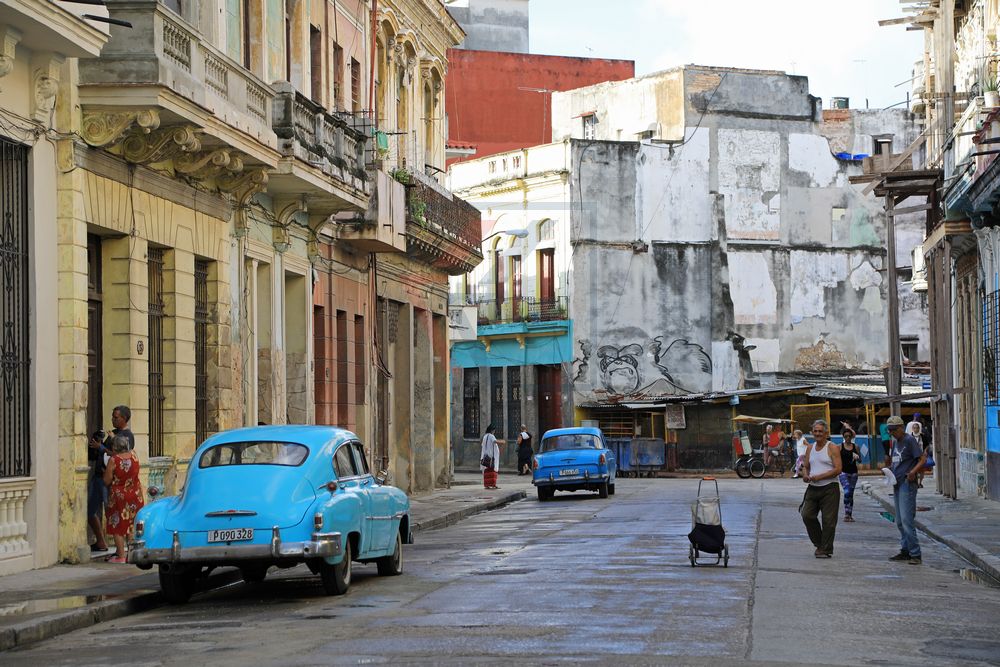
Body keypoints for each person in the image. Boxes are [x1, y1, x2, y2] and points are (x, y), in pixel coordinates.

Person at [86, 405, 135, 553]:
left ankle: (121, 550)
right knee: (89, 511)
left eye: (116, 417)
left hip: (110, 481)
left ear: (124, 418)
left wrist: (101, 448)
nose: (113, 419)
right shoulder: (112, 433)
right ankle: (101, 541)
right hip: (99, 477)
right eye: (112, 417)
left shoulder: (127, 436)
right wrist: (96, 447)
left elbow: (119, 455)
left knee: (112, 515)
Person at [885, 415, 927, 565]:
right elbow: (897, 461)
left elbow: (922, 459)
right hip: (897, 482)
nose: (891, 433)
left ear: (901, 428)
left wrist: (913, 472)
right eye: (889, 430)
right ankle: (905, 550)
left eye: (893, 430)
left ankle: (915, 553)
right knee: (899, 521)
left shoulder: (909, 440)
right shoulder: (896, 442)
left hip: (907, 483)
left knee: (907, 520)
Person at [800, 419, 842, 558]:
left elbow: (838, 469)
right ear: (812, 433)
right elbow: (806, 466)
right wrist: (806, 475)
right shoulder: (810, 448)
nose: (817, 434)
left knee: (829, 521)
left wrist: (821, 477)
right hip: (813, 488)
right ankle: (820, 544)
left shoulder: (832, 447)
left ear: (826, 433)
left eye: (820, 431)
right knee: (807, 515)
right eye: (815, 431)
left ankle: (825, 549)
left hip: (830, 488)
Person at [103, 433, 144, 563]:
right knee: (131, 524)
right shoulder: (134, 455)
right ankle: (131, 554)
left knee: (117, 525)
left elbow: (106, 480)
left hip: (119, 497)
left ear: (114, 448)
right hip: (135, 495)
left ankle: (120, 555)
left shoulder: (114, 460)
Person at [839, 428, 861, 522]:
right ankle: (846, 513)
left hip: (853, 473)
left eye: (849, 436)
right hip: (843, 472)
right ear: (843, 437)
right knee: (847, 491)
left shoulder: (856, 446)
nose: (848, 438)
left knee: (850, 494)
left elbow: (860, 460)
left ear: (852, 437)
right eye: (846, 436)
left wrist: (857, 457)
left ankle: (849, 514)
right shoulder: (840, 447)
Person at [480, 424, 501, 489]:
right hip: (491, 457)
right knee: (492, 471)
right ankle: (493, 484)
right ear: (492, 430)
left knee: (487, 471)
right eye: (494, 430)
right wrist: (502, 442)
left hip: (485, 456)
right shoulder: (491, 436)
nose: (494, 431)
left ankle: (487, 485)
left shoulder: (485, 436)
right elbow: (495, 441)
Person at [907, 419, 926, 488]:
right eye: (914, 428)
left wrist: (925, 451)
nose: (916, 429)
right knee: (915, 469)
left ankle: (920, 482)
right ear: (912, 429)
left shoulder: (922, 436)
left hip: (921, 455)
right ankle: (916, 483)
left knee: (922, 470)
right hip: (913, 456)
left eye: (917, 428)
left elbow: (926, 445)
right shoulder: (910, 437)